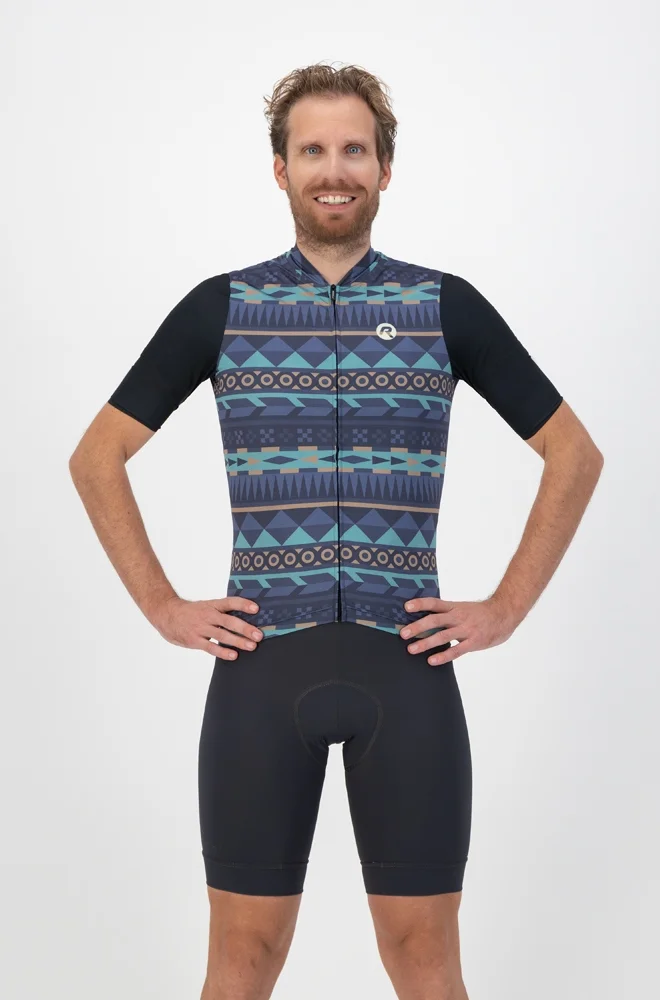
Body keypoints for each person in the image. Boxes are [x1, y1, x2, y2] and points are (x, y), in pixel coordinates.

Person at [69, 62, 604, 1000]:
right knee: (242, 959)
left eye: (354, 149)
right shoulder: (225, 307)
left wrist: (505, 608)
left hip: (407, 669)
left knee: (424, 959)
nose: (334, 169)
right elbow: (96, 456)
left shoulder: (440, 306)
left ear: (384, 168)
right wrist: (162, 605)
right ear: (280, 169)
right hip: (261, 669)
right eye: (311, 149)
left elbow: (573, 453)